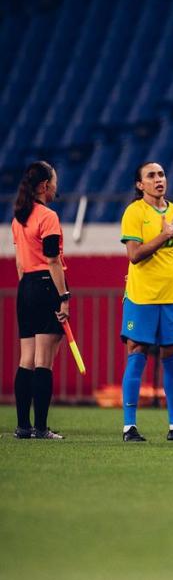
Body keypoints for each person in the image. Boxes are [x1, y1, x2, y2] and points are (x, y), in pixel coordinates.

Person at [118, 162, 173, 442]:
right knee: (136, 352)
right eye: (151, 176)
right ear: (140, 185)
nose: (158, 179)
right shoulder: (134, 212)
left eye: (161, 174)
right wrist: (163, 236)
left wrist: (167, 263)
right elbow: (134, 255)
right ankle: (130, 427)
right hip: (142, 296)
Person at [11, 161, 67, 440]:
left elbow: (21, 264)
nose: (56, 186)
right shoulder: (48, 217)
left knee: (26, 360)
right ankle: (42, 428)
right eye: (54, 181)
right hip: (46, 287)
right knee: (44, 361)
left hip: (25, 288)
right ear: (45, 186)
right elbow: (53, 259)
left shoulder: (18, 218)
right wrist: (64, 297)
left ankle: (23, 426)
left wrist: (28, 286)